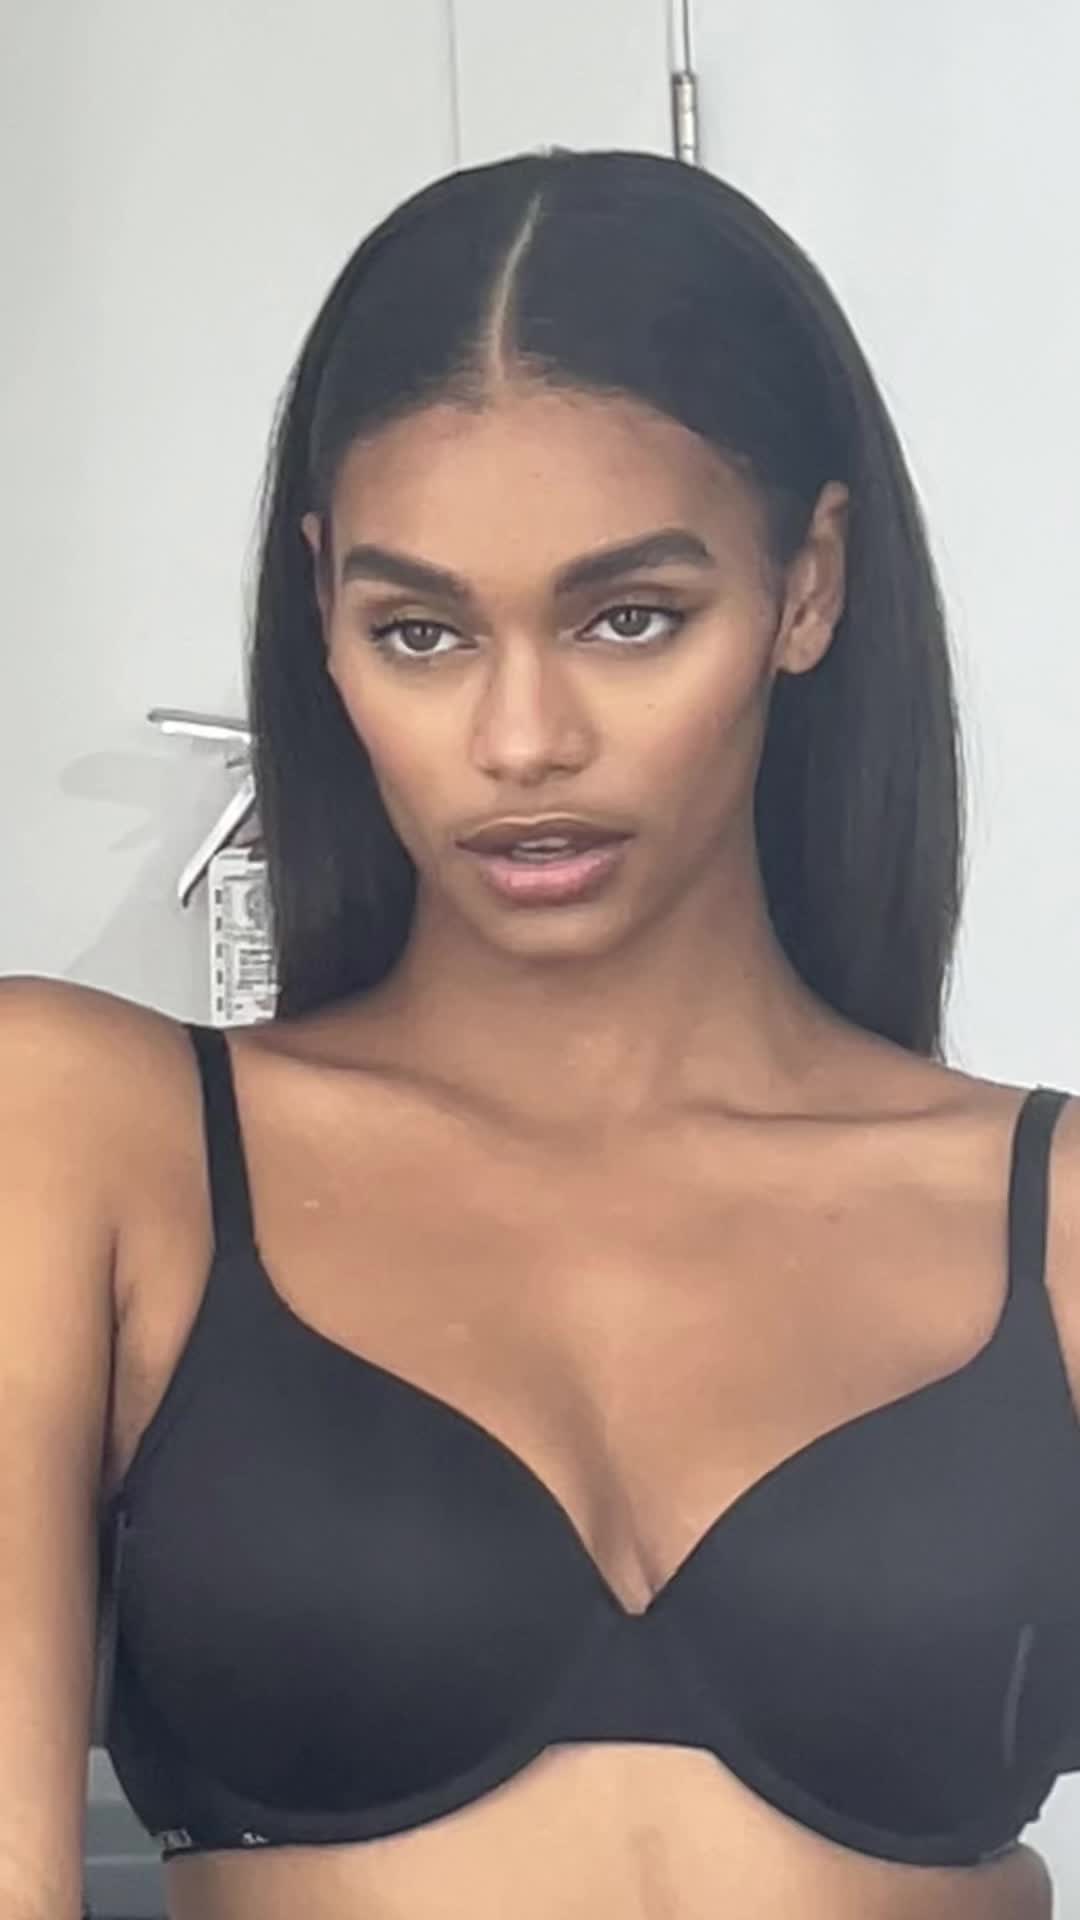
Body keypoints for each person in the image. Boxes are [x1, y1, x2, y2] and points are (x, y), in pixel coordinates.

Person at [2, 145, 1078, 1920]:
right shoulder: (84, 1137)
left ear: (808, 587)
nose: (519, 740)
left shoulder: (1051, 1216)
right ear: (325, 613)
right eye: (421, 631)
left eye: (630, 618)